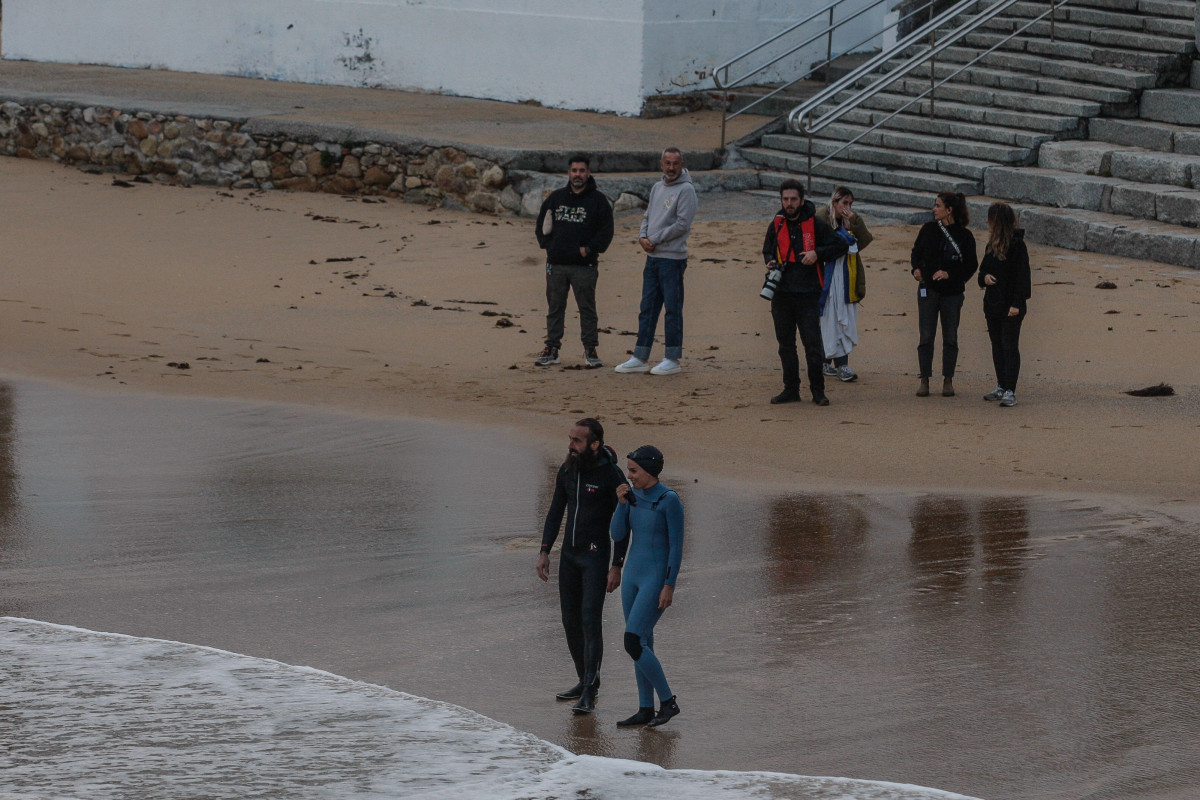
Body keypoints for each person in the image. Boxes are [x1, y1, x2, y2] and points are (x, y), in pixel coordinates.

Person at [536, 418, 628, 714]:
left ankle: (590, 689)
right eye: (570, 439)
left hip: (595, 556)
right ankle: (582, 679)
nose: (570, 445)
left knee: (590, 620)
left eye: (577, 441)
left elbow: (623, 525)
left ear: (595, 444)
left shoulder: (611, 475)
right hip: (570, 557)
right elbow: (555, 510)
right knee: (569, 621)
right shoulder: (568, 469)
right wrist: (544, 550)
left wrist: (617, 564)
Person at [610, 445, 684, 727]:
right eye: (628, 470)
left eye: (633, 471)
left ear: (650, 471)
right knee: (642, 642)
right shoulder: (632, 496)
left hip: (655, 579)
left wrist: (669, 585)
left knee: (632, 641)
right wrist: (621, 504)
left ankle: (667, 702)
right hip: (632, 577)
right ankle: (645, 708)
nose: (629, 476)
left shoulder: (669, 500)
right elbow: (617, 534)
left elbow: (676, 548)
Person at [762, 179, 848, 406]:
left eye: (793, 199)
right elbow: (767, 249)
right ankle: (791, 389)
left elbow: (841, 246)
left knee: (812, 345)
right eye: (785, 199)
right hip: (781, 294)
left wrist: (817, 254)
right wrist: (770, 261)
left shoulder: (816, 224)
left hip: (808, 294)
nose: (789, 204)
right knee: (785, 345)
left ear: (801, 200)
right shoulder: (777, 223)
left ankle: (818, 391)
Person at [614, 148, 697, 377]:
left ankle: (672, 358)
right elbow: (648, 215)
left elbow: (682, 224)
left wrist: (654, 239)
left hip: (672, 259)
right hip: (652, 258)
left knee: (672, 309)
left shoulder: (686, 190)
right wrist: (642, 237)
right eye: (667, 163)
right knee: (648, 308)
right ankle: (640, 356)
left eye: (676, 163)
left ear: (682, 164)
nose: (671, 168)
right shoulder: (657, 187)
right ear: (661, 164)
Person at [534, 155, 615, 368]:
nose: (577, 175)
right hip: (556, 265)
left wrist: (588, 249)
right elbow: (541, 225)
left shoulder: (598, 201)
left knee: (587, 308)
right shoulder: (556, 198)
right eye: (574, 170)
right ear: (568, 173)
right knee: (555, 308)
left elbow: (606, 232)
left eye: (581, 171)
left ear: (588, 173)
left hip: (584, 267)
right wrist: (548, 246)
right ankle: (552, 349)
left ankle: (590, 350)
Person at [910, 192, 978, 397]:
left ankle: (948, 379)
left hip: (952, 293)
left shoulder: (965, 236)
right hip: (928, 290)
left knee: (950, 337)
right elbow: (916, 252)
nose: (934, 209)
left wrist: (950, 274)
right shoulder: (928, 229)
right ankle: (924, 379)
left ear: (949, 210)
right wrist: (915, 268)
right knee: (926, 336)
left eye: (938, 205)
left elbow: (971, 265)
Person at [816, 186, 873, 383]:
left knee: (844, 318)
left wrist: (855, 220)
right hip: (825, 275)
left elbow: (864, 241)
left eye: (850, 204)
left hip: (848, 275)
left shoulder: (852, 219)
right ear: (834, 202)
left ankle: (841, 364)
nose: (847, 207)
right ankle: (826, 361)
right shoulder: (821, 217)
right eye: (844, 203)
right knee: (827, 318)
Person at [977, 202, 1031, 408]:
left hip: (1011, 306)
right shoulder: (991, 245)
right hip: (993, 304)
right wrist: (985, 278)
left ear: (997, 221)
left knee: (1009, 346)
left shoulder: (1017, 245)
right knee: (997, 346)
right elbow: (982, 271)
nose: (986, 222)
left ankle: (1010, 390)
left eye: (990, 219)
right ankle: (1001, 385)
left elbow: (1023, 277)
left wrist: (1017, 304)